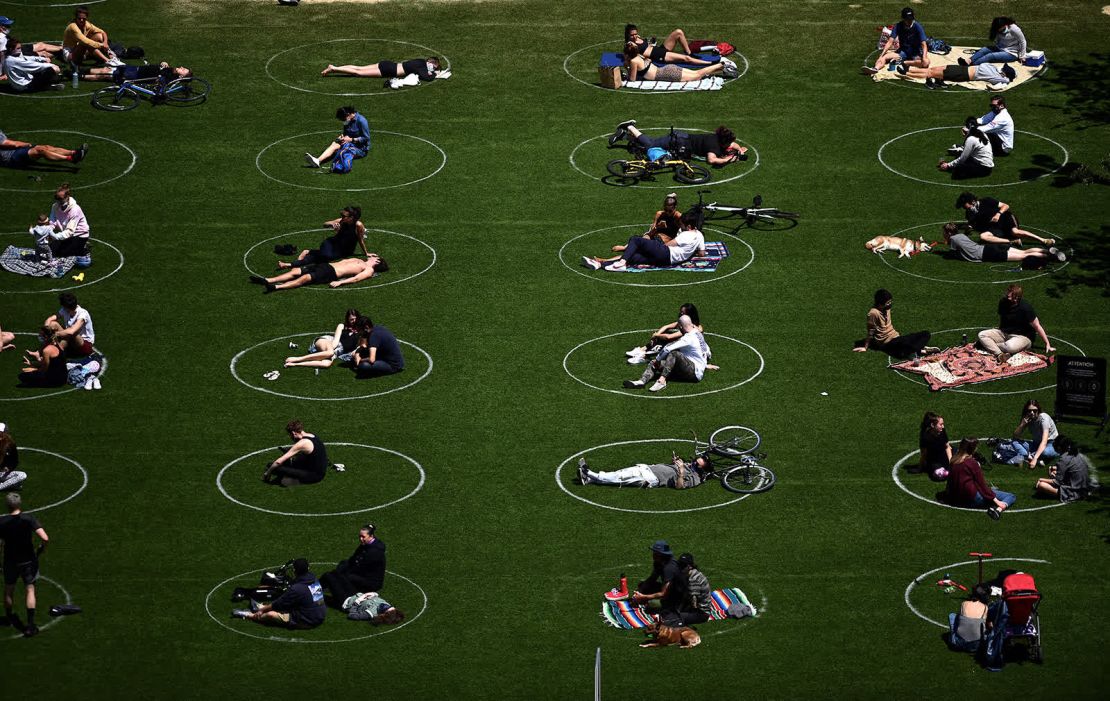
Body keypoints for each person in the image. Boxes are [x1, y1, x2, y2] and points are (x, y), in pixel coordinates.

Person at [582, 210, 705, 271]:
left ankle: (621, 262)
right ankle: (599, 264)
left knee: (636, 240)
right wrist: (690, 252)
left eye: (683, 225)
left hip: (666, 253)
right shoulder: (700, 235)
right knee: (633, 257)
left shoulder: (685, 235)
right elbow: (701, 253)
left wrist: (652, 246)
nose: (681, 226)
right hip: (668, 261)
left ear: (688, 226)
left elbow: (668, 245)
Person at [0, 493, 49, 637]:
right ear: (19, 504)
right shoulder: (28, 519)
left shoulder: (2, 522)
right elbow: (45, 538)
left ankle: (9, 618)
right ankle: (30, 626)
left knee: (9, 589)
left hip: (10, 560)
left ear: (7, 505)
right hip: (28, 560)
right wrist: (41, 549)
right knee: (30, 590)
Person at [623, 314, 709, 393]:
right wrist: (704, 364)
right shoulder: (697, 332)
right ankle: (641, 382)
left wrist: (658, 360)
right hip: (690, 367)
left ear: (681, 327)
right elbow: (704, 350)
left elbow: (668, 349)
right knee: (654, 362)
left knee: (674, 354)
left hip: (694, 373)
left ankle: (662, 381)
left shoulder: (688, 338)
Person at [232, 558, 325, 629]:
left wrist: (263, 610)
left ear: (295, 571)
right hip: (319, 615)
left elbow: (279, 604)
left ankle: (249, 615)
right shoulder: (314, 580)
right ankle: (261, 607)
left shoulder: (297, 588)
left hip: (307, 620)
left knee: (271, 615)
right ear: (308, 568)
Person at [608, 120, 748, 166]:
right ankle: (629, 127)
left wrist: (739, 150)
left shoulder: (717, 139)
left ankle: (626, 137)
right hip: (677, 142)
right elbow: (712, 160)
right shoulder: (714, 146)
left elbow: (733, 145)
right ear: (724, 142)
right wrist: (728, 159)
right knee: (651, 145)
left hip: (680, 140)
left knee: (650, 147)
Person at [977, 284, 1054, 363]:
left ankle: (988, 345)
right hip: (1004, 332)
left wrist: (1047, 343)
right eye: (1008, 294)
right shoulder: (1003, 302)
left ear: (1017, 297)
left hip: (1022, 337)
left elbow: (1037, 326)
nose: (1008, 296)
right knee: (982, 334)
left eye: (1011, 295)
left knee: (1009, 347)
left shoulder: (1026, 308)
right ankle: (1000, 355)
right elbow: (1003, 318)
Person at [943, 437, 1016, 520]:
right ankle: (998, 510)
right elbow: (981, 485)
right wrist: (997, 502)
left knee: (989, 490)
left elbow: (950, 480)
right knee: (1011, 496)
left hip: (956, 498)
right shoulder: (972, 463)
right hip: (971, 499)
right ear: (972, 448)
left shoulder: (953, 459)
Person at [852, 289, 935, 360]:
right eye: (888, 302)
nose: (890, 304)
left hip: (896, 337)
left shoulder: (886, 309)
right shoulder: (873, 314)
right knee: (903, 348)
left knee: (926, 334)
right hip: (887, 343)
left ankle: (917, 349)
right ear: (880, 304)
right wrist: (865, 347)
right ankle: (919, 350)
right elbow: (871, 331)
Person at [277, 207, 369, 269]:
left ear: (351, 217)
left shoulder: (358, 225)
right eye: (341, 215)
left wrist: (366, 253)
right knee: (325, 257)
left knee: (322, 257)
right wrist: (332, 225)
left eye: (344, 216)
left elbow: (360, 239)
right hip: (332, 244)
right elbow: (325, 224)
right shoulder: (341, 221)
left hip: (344, 251)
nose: (342, 217)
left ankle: (308, 252)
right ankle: (290, 264)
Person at [319, 524, 387, 605]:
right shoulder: (366, 545)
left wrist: (343, 573)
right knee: (342, 565)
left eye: (363, 537)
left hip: (371, 582)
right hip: (364, 574)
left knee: (345, 576)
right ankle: (325, 586)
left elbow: (361, 568)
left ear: (371, 536)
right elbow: (354, 558)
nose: (361, 539)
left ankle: (322, 589)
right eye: (360, 536)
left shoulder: (374, 552)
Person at [955, 192, 1053, 247]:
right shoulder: (969, 214)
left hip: (1005, 219)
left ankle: (1043, 240)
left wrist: (998, 214)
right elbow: (973, 225)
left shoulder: (987, 201)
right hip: (994, 228)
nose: (966, 209)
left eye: (966, 207)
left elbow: (1006, 206)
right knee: (983, 236)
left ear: (972, 201)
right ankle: (1012, 242)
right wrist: (969, 228)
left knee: (1015, 232)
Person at [941, 223, 1060, 266]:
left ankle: (1050, 257)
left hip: (988, 254)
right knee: (1023, 252)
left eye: (944, 233)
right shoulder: (961, 236)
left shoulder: (953, 240)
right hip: (988, 247)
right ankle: (1047, 251)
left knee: (1023, 256)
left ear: (949, 232)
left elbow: (951, 254)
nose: (943, 234)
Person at [252, 255, 383, 293]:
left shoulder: (369, 269)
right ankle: (269, 280)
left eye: (375, 257)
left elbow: (356, 278)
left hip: (331, 273)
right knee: (296, 271)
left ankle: (276, 287)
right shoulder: (361, 260)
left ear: (377, 261)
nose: (373, 256)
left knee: (304, 278)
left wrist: (340, 282)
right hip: (326, 266)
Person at [626, 303, 703, 365]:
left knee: (668, 340)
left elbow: (669, 337)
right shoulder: (685, 322)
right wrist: (657, 335)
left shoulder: (693, 327)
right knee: (664, 335)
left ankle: (644, 356)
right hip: (683, 347)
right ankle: (642, 350)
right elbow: (666, 327)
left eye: (682, 313)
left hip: (688, 352)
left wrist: (656, 335)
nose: (680, 314)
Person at [284, 308, 362, 369]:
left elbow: (359, 345)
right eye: (351, 319)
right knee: (330, 353)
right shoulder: (342, 326)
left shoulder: (360, 331)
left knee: (326, 364)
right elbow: (335, 341)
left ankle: (295, 364)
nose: (354, 321)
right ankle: (297, 359)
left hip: (337, 351)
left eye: (355, 319)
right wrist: (332, 351)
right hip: (328, 342)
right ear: (347, 319)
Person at [577, 453, 709, 489]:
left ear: (701, 469)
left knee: (620, 476)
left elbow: (679, 486)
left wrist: (680, 471)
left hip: (650, 477)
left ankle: (588, 473)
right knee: (619, 475)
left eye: (695, 464)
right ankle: (588, 480)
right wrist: (675, 463)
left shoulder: (695, 479)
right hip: (648, 469)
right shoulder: (689, 466)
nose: (692, 463)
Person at [262, 420, 329, 487]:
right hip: (319, 471)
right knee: (291, 462)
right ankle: (286, 476)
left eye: (290, 435)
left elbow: (278, 462)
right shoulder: (313, 435)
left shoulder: (302, 443)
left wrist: (268, 473)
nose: (291, 437)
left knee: (271, 467)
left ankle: (283, 481)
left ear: (294, 433)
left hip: (313, 476)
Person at [304, 106, 371, 172]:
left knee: (345, 151)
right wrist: (342, 137)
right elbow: (346, 133)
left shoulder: (362, 121)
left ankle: (338, 167)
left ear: (348, 115)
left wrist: (351, 139)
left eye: (343, 119)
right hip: (350, 142)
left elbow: (366, 138)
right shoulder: (348, 120)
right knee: (335, 143)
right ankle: (317, 161)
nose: (343, 121)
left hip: (361, 148)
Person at [996, 398, 1059, 468]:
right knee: (1014, 442)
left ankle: (1030, 457)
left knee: (1045, 452)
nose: (1032, 413)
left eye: (1035, 411)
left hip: (1051, 444)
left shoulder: (1044, 419)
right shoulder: (1028, 419)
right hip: (1036, 443)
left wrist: (1035, 459)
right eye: (1029, 411)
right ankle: (1029, 456)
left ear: (1038, 410)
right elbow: (1015, 436)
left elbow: (1044, 442)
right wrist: (1022, 425)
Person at [622, 45, 735, 82]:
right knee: (697, 74)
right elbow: (649, 61)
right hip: (667, 69)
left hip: (666, 74)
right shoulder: (639, 56)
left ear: (627, 55)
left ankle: (722, 65)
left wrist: (626, 66)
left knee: (698, 75)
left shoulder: (633, 61)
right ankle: (722, 69)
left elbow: (632, 79)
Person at [1035, 436, 1096, 501]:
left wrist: (1041, 479)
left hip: (1074, 492)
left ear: (1058, 448)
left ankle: (1063, 494)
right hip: (1084, 487)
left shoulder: (1063, 459)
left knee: (1041, 485)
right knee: (1054, 472)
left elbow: (1057, 482)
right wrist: (1053, 469)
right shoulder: (1076, 453)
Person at [1, 16, 62, 81]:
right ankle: (63, 52)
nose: (9, 27)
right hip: (16, 53)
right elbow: (2, 55)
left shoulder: (3, 36)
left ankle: (62, 50)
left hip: (16, 51)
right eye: (6, 25)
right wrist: (4, 72)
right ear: (1, 26)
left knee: (41, 46)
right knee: (43, 52)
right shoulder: (1, 38)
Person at [628, 540, 682, 611]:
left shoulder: (669, 569)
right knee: (642, 585)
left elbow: (663, 594)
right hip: (667, 590)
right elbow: (652, 579)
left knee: (651, 604)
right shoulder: (658, 563)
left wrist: (643, 597)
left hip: (676, 597)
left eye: (655, 553)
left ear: (661, 555)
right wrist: (639, 591)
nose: (653, 555)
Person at [872, 7, 929, 72]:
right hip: (903, 52)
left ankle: (905, 63)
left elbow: (924, 44)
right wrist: (881, 55)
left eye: (911, 19)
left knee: (926, 63)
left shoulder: (917, 27)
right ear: (903, 19)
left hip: (916, 53)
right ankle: (875, 68)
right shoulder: (898, 26)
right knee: (884, 57)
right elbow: (890, 42)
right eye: (907, 20)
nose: (910, 21)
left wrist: (924, 57)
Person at [623, 24, 710, 66]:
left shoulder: (638, 38)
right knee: (686, 59)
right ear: (627, 35)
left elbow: (647, 45)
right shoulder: (630, 45)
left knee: (678, 32)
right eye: (632, 35)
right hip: (659, 56)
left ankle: (689, 52)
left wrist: (647, 42)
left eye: (635, 34)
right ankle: (710, 63)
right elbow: (629, 57)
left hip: (660, 49)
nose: (634, 36)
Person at [0, 130, 86, 169]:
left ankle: (74, 152)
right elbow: (13, 144)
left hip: (13, 152)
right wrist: (26, 144)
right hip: (10, 157)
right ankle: (71, 159)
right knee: (40, 150)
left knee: (46, 147)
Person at [48, 183, 92, 258]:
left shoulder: (75, 209)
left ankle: (84, 248)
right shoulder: (55, 206)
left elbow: (70, 231)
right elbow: (52, 221)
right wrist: (48, 231)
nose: (58, 201)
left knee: (63, 254)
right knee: (51, 250)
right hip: (66, 234)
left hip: (78, 235)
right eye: (56, 198)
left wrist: (54, 236)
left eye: (60, 199)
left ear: (67, 197)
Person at [898, 62, 1016, 89]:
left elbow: (1005, 81)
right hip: (961, 69)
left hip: (961, 74)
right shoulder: (994, 68)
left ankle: (907, 73)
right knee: (932, 69)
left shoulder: (996, 76)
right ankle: (909, 68)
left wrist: (1006, 78)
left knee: (930, 73)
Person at [18, 323, 67, 388]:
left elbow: (44, 369)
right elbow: (48, 363)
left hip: (55, 380)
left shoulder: (47, 350)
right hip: (63, 377)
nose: (39, 337)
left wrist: (34, 369)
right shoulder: (58, 344)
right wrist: (32, 363)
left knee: (22, 376)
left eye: (41, 335)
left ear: (46, 337)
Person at [46, 292, 95, 357]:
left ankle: (57, 353)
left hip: (84, 344)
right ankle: (41, 352)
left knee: (71, 333)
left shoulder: (83, 314)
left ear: (66, 307)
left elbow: (72, 332)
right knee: (53, 324)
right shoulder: (65, 310)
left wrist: (56, 334)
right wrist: (46, 327)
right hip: (70, 340)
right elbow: (52, 318)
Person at [321, 56, 442, 82]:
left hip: (387, 64)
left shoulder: (420, 61)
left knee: (359, 68)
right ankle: (334, 68)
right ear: (431, 63)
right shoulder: (422, 66)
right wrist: (435, 74)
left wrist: (431, 70)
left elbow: (422, 71)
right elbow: (425, 77)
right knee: (359, 73)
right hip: (389, 70)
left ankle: (334, 68)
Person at [947, 583, 990, 653]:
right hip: (976, 646)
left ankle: (953, 637)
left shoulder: (964, 603)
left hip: (958, 643)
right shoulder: (985, 608)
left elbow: (959, 618)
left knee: (952, 615)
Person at [675, 553, 712, 626]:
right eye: (679, 565)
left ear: (689, 566)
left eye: (683, 566)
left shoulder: (693, 579)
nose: (680, 568)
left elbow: (694, 603)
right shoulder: (690, 574)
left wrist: (681, 610)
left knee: (674, 618)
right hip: (694, 606)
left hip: (701, 613)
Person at [916, 412, 951, 482]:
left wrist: (951, 461)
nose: (943, 426)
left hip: (944, 454)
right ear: (932, 425)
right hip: (934, 461)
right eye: (941, 424)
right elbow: (924, 454)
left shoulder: (942, 430)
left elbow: (947, 447)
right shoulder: (926, 438)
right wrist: (920, 467)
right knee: (940, 475)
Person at [81, 61, 192, 82]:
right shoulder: (171, 71)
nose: (181, 67)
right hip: (135, 69)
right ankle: (79, 71)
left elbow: (159, 79)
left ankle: (79, 75)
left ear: (182, 77)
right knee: (107, 70)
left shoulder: (170, 77)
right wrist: (163, 63)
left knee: (105, 75)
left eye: (183, 70)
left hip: (134, 74)